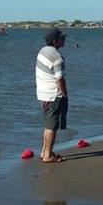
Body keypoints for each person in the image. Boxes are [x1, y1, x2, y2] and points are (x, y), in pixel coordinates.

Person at [36, 28, 69, 163]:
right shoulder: (57, 57)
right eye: (62, 38)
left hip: (42, 93)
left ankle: (45, 151)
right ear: (55, 42)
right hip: (53, 95)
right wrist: (65, 94)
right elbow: (59, 79)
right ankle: (48, 155)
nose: (64, 40)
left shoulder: (42, 51)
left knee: (47, 125)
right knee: (52, 127)